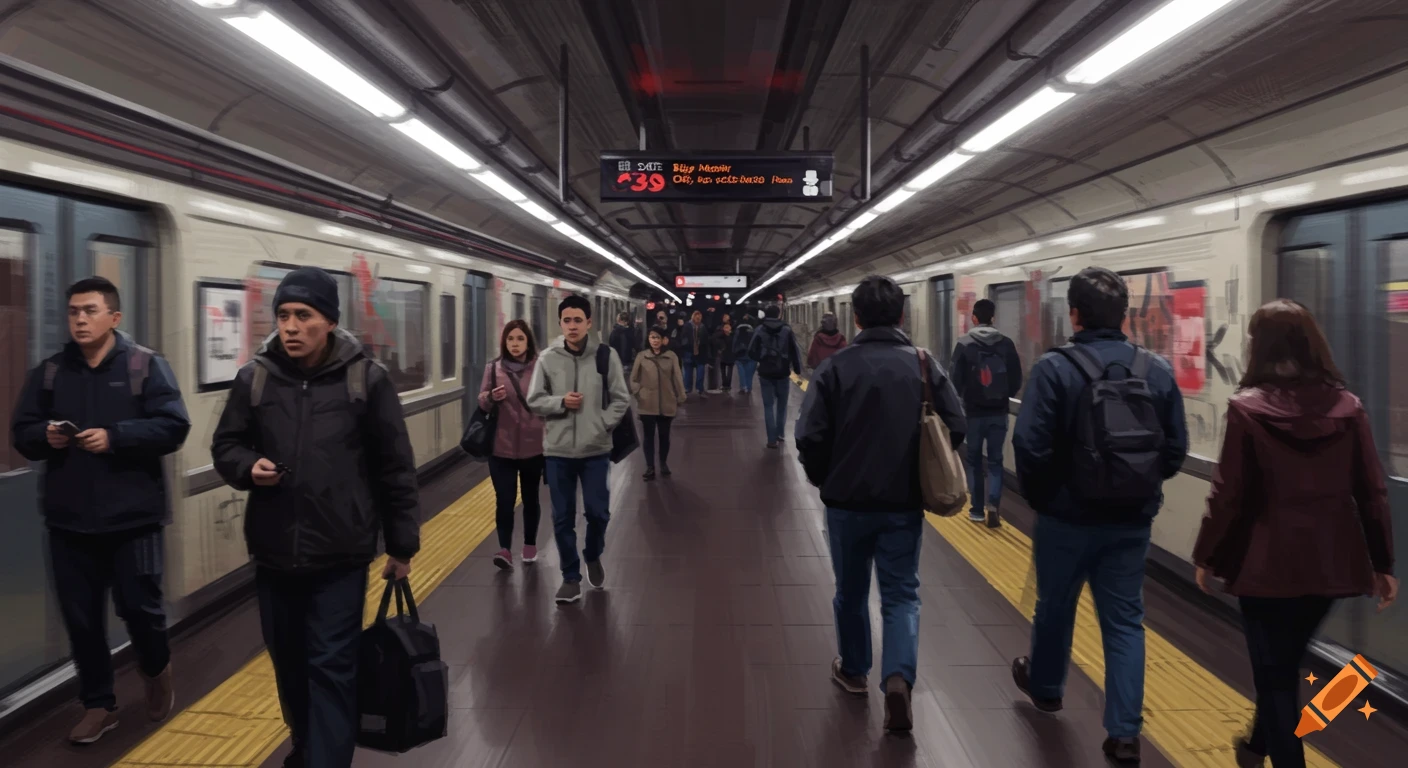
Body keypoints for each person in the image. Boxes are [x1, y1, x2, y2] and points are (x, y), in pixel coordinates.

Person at [211, 267, 420, 768]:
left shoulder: (365, 380)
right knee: (289, 666)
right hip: (274, 553)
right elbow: (226, 445)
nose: (290, 326)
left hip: (340, 555)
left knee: (331, 666)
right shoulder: (254, 377)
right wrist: (246, 467)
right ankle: (308, 745)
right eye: (283, 315)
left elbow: (394, 466)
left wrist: (402, 545)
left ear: (328, 321)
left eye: (303, 315)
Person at [1190, 299, 1396, 768]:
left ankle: (1278, 755)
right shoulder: (1350, 407)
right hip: (1330, 566)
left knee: (1275, 676)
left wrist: (1206, 555)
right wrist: (1383, 564)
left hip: (1263, 568)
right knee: (1280, 665)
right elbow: (1372, 491)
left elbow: (1228, 495)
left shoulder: (1246, 410)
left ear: (1257, 347)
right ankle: (1255, 746)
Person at [1010, 266, 1188, 765]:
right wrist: (1140, 488)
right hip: (1130, 523)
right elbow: (1175, 449)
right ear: (1124, 315)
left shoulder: (1054, 368)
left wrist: (1047, 497)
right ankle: (1125, 731)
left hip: (1065, 519)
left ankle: (1046, 688)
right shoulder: (1155, 370)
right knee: (1126, 621)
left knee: (1055, 605)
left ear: (1074, 314)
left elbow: (1029, 444)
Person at [9, 276, 190, 744]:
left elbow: (173, 427)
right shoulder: (50, 372)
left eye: (90, 310)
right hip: (69, 523)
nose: (80, 319)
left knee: (141, 611)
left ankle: (156, 670)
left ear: (114, 316)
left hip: (134, 520)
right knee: (83, 621)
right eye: (73, 311)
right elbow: (21, 431)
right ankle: (99, 705)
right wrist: (41, 437)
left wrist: (116, 437)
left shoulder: (145, 366)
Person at [795, 276, 966, 733]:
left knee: (850, 591)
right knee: (901, 594)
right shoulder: (924, 365)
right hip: (902, 503)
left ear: (855, 317)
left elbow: (808, 436)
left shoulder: (834, 368)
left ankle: (853, 670)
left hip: (846, 504)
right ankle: (898, 679)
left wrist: (824, 477)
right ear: (902, 315)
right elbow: (956, 425)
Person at [527, 295, 629, 605]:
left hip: (596, 449)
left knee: (598, 513)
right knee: (562, 518)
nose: (572, 326)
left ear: (589, 323)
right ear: (560, 324)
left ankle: (592, 553)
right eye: (567, 321)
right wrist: (560, 403)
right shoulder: (547, 358)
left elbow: (621, 398)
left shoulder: (605, 356)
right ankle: (570, 577)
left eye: (577, 320)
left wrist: (602, 423)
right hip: (557, 451)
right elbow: (534, 400)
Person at [949, 298, 1023, 527]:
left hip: (973, 413)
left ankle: (977, 510)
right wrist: (1001, 397)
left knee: (973, 461)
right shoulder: (1006, 344)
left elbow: (954, 380)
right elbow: (1016, 379)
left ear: (974, 318)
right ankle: (993, 506)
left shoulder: (963, 344)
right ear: (993, 318)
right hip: (998, 412)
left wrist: (966, 399)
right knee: (995, 461)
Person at [478, 319, 545, 571]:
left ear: (528, 341)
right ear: (504, 342)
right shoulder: (493, 368)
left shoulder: (540, 367)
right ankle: (504, 549)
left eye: (520, 339)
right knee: (504, 499)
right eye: (510, 339)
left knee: (530, 498)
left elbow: (548, 399)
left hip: (533, 446)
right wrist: (489, 398)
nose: (515, 344)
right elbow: (481, 400)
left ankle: (529, 544)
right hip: (501, 447)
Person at [630, 325, 685, 480]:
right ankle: (650, 467)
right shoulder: (642, 356)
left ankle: (663, 463)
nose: (654, 340)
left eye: (657, 337)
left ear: (663, 340)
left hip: (667, 402)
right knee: (648, 437)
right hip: (646, 403)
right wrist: (638, 392)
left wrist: (680, 395)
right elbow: (633, 379)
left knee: (664, 435)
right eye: (652, 337)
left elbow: (677, 377)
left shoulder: (671, 356)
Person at [747, 305, 803, 448]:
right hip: (783, 372)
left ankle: (771, 440)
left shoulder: (760, 329)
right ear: (779, 314)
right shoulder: (787, 330)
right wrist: (797, 369)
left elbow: (750, 351)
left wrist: (761, 358)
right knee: (782, 405)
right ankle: (780, 434)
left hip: (765, 372)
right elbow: (794, 351)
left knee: (768, 406)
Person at [682, 310, 710, 398]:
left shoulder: (703, 327)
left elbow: (706, 341)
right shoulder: (687, 326)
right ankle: (687, 389)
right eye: (696, 316)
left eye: (699, 316)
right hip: (689, 352)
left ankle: (700, 389)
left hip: (700, 353)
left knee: (700, 373)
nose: (698, 318)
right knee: (688, 374)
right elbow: (683, 337)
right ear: (693, 316)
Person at [733, 314, 758, 394]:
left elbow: (735, 341)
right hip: (751, 354)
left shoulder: (738, 329)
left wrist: (733, 352)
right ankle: (749, 387)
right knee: (749, 373)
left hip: (740, 353)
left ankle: (743, 387)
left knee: (741, 372)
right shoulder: (754, 330)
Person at [608, 311, 637, 377]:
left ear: (619, 320)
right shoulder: (631, 331)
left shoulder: (615, 332)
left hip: (618, 361)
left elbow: (611, 343)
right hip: (627, 362)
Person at [712, 321, 737, 393]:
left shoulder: (732, 336)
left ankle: (727, 385)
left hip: (729, 355)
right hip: (723, 356)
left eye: (728, 327)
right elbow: (714, 339)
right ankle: (725, 385)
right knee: (723, 371)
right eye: (725, 327)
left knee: (729, 371)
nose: (726, 329)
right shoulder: (721, 335)